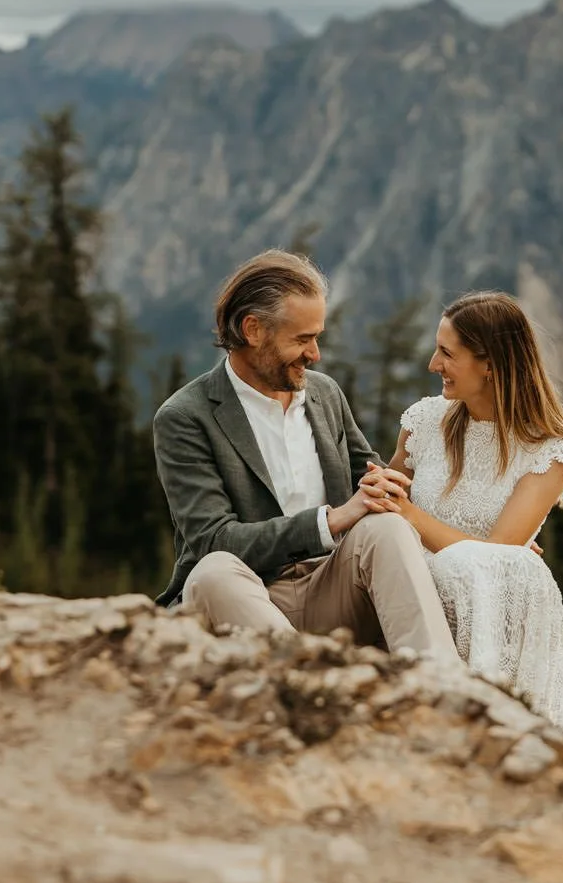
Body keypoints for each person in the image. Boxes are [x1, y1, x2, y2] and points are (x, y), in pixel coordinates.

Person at [153, 250, 462, 666]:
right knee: (211, 571)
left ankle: (438, 688)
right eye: (301, 339)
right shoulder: (185, 417)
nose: (315, 353)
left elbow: (381, 485)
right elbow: (214, 539)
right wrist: (331, 520)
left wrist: (485, 544)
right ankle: (317, 687)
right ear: (253, 329)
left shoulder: (325, 394)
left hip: (335, 592)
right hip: (247, 601)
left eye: (317, 337)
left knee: (387, 528)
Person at [363, 291, 563, 731]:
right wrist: (380, 493)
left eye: (447, 353)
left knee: (484, 563)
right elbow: (384, 502)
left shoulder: (550, 451)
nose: (432, 364)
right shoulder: (425, 421)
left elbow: (496, 555)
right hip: (404, 579)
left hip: (481, 594)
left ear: (491, 364)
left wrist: (409, 514)